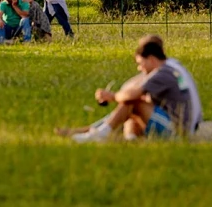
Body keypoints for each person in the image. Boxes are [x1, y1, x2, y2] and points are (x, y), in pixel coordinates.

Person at [71, 35, 201, 142]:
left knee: (134, 101)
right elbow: (132, 85)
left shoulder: (163, 74)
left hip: (178, 132)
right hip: (187, 126)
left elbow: (132, 95)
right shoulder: (172, 65)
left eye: (140, 63)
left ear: (150, 59)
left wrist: (112, 96)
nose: (139, 68)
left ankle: (100, 134)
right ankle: (127, 138)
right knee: (134, 105)